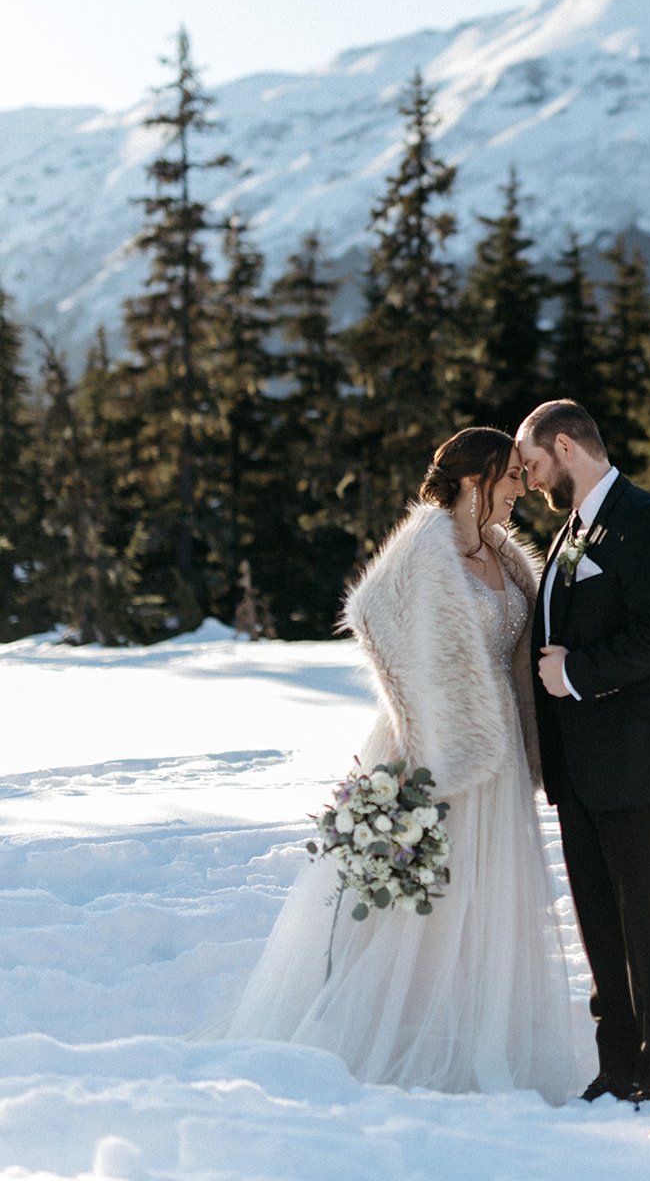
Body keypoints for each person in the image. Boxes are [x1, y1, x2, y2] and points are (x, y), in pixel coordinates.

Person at [224, 427, 576, 1103]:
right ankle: (403, 1032)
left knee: (487, 896)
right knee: (426, 896)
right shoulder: (425, 546)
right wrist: (423, 715)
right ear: (476, 479)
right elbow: (374, 614)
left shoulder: (501, 553)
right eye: (510, 480)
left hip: (499, 747)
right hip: (436, 741)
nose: (519, 493)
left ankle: (478, 1028)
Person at [516, 399, 650, 1105]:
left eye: (533, 464)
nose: (530, 480)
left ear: (565, 447)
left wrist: (572, 673)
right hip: (585, 774)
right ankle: (618, 1067)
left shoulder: (646, 521)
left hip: (645, 764)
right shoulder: (575, 529)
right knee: (602, 926)